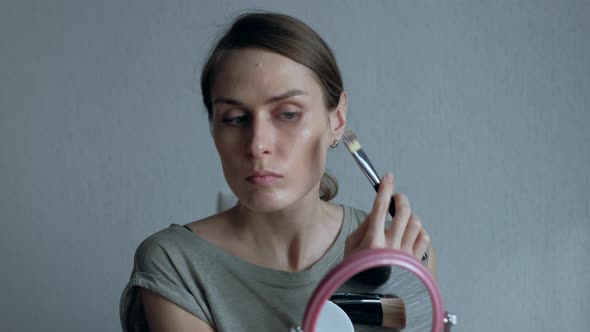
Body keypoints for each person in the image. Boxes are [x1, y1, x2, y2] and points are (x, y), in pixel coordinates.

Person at [120, 11, 435, 332]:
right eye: (235, 118)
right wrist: (340, 288)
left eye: (287, 114)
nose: (257, 144)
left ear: (337, 120)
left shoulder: (398, 250)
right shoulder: (176, 264)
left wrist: (385, 278)